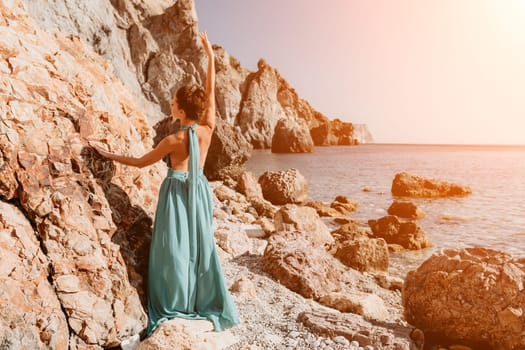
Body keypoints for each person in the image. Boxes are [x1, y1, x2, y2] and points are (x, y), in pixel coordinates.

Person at [88, 32, 240, 337]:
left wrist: (108, 154)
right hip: (199, 191)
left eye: (173, 102)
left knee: (170, 251)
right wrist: (209, 55)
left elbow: (140, 162)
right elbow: (211, 92)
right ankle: (201, 296)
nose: (170, 105)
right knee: (199, 247)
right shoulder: (208, 128)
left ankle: (173, 301)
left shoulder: (173, 140)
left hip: (176, 194)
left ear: (182, 110)